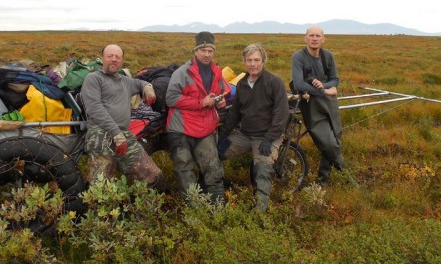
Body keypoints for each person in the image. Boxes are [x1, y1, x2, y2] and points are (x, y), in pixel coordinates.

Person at [80, 44, 163, 189]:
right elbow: (94, 108)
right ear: (102, 59)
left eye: (117, 57)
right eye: (110, 56)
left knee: (153, 177)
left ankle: (138, 208)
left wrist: (148, 88)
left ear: (122, 61)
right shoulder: (93, 79)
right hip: (100, 134)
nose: (114, 60)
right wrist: (116, 133)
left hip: (123, 134)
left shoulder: (124, 81)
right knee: (100, 186)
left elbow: (139, 83)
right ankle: (97, 209)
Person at [218, 43, 289, 212]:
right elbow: (234, 114)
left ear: (263, 61)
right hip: (244, 135)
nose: (253, 64)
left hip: (267, 136)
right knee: (215, 154)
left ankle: (260, 211)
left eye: (256, 60)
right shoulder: (242, 84)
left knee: (262, 168)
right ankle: (214, 194)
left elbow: (281, 114)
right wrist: (221, 136)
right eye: (249, 60)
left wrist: (269, 139)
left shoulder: (274, 82)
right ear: (244, 61)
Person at [165, 31, 229, 203]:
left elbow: (219, 92)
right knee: (184, 170)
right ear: (195, 51)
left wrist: (219, 101)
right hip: (181, 129)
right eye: (203, 50)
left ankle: (217, 208)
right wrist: (201, 102)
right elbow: (171, 99)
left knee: (212, 168)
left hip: (205, 129)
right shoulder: (182, 73)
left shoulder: (217, 72)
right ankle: (194, 210)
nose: (207, 54)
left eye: (210, 50)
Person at [291, 26, 345, 184]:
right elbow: (299, 84)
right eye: (311, 35)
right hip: (311, 105)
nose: (314, 38)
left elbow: (335, 79)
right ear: (305, 38)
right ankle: (347, 175)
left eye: (318, 36)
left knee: (336, 139)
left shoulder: (328, 56)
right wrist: (324, 91)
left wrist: (323, 85)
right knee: (328, 143)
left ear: (323, 39)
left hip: (330, 104)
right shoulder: (298, 57)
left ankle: (323, 178)